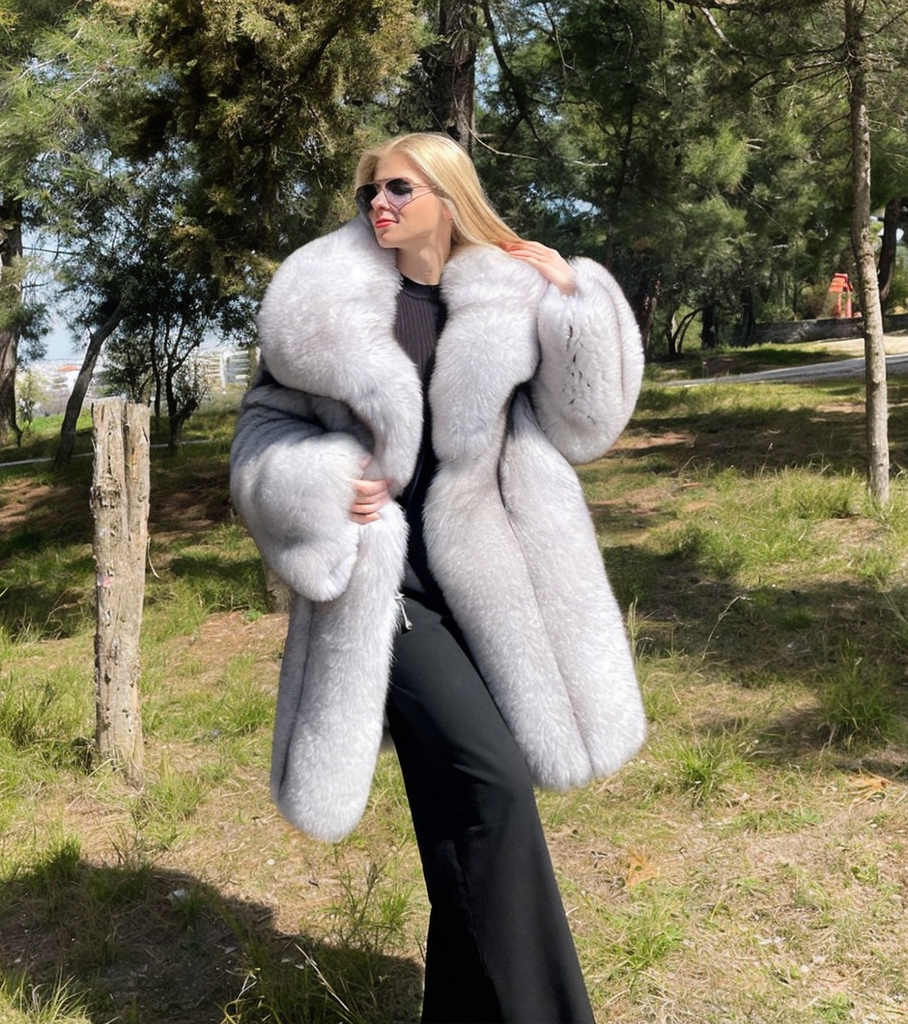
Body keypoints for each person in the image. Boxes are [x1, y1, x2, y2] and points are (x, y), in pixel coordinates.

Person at [230, 131, 646, 1023]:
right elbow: (258, 437)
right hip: (388, 592)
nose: (379, 204)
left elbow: (586, 426)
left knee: (466, 814)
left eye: (399, 190)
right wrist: (324, 479)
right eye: (372, 191)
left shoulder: (506, 294)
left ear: (449, 200)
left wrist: (574, 302)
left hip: (493, 586)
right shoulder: (325, 309)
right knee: (493, 790)